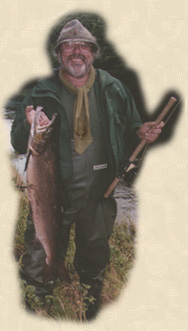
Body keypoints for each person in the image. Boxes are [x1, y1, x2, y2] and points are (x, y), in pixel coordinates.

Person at [11, 19, 163, 320]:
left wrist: (142, 131)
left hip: (98, 194)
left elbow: (131, 126)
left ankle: (89, 309)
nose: (76, 52)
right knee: (39, 258)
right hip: (52, 193)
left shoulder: (114, 88)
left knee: (94, 259)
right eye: (69, 46)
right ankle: (35, 309)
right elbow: (18, 141)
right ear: (59, 54)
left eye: (83, 46)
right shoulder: (41, 92)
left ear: (93, 52)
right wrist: (29, 125)